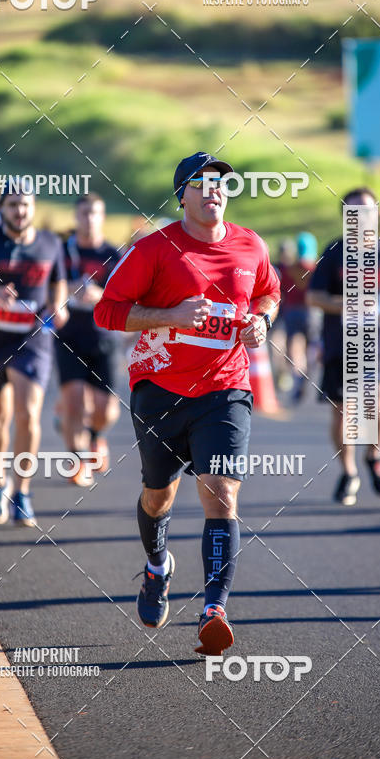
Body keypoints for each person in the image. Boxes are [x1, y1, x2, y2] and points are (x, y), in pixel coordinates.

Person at [94, 151, 280, 655]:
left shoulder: (249, 245)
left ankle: (214, 608)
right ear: (183, 196)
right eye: (202, 182)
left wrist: (262, 321)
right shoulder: (155, 250)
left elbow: (268, 293)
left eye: (222, 182)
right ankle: (157, 567)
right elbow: (107, 312)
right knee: (160, 497)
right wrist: (171, 314)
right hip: (159, 392)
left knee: (221, 495)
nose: (215, 189)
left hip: (225, 391)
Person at [0, 183, 67, 527]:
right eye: (13, 205)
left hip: (32, 342)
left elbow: (58, 283)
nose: (20, 211)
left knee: (28, 415)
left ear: (33, 207)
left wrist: (58, 306)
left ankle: (22, 492)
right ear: (2, 208)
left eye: (26, 204)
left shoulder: (51, 243)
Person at [307, 187, 380, 506]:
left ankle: (374, 456)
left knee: (378, 402)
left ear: (377, 213)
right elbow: (314, 297)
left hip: (375, 342)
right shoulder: (334, 252)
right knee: (342, 414)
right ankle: (349, 471)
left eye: (367, 210)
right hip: (339, 345)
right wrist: (350, 304)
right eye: (354, 211)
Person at [54, 194, 122, 487]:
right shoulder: (62, 251)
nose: (89, 219)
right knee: (75, 403)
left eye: (94, 213)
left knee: (106, 410)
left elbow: (125, 297)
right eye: (83, 213)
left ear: (102, 217)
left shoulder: (114, 255)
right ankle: (77, 460)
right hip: (68, 335)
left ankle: (97, 437)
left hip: (103, 336)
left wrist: (100, 296)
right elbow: (47, 284)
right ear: (76, 216)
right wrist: (68, 288)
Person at [278, 231, 319, 403]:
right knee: (312, 346)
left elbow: (282, 291)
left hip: (292, 311)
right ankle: (307, 375)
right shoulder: (316, 269)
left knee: (293, 345)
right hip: (312, 311)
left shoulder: (290, 269)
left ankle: (297, 374)